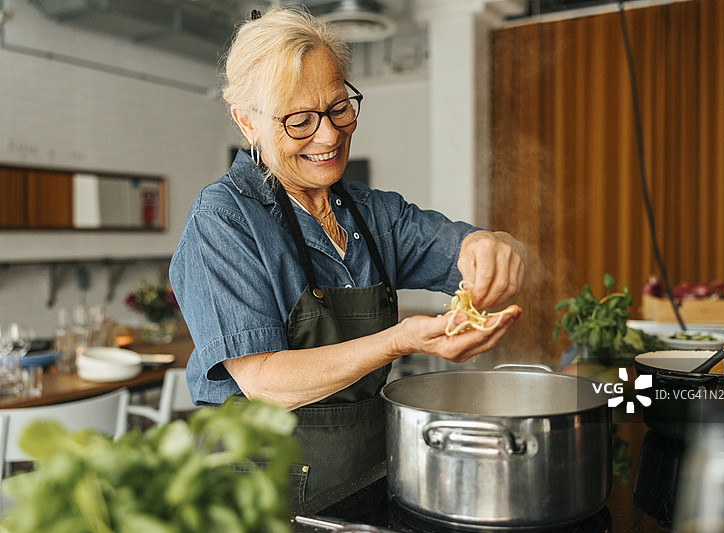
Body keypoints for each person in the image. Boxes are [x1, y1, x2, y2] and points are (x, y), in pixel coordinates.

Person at [169, 7, 525, 507]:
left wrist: (493, 248)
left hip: (369, 478)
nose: (330, 135)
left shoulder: (371, 214)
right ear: (246, 121)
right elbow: (267, 382)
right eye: (299, 120)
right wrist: (398, 340)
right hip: (258, 495)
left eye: (340, 107)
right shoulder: (224, 220)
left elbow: (471, 248)